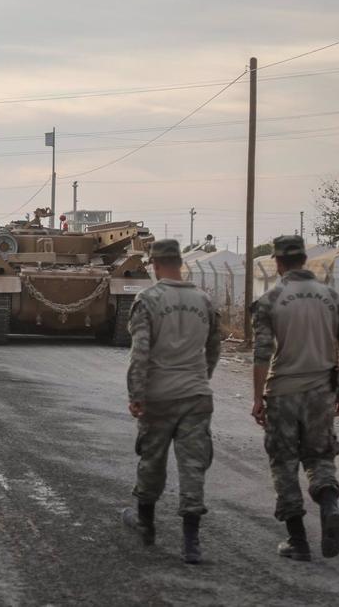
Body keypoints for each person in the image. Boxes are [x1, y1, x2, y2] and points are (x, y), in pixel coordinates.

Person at [251, 235, 339, 562]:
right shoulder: (332, 297)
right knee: (320, 456)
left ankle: (298, 540)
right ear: (304, 260)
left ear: (279, 262)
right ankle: (328, 503)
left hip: (283, 392)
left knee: (284, 462)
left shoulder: (271, 299)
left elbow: (262, 354)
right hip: (322, 392)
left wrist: (258, 399)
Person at [121, 239, 220, 565]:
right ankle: (191, 543)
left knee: (152, 461)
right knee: (193, 467)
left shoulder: (148, 300)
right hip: (196, 395)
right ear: (180, 262)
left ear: (155, 264)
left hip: (160, 396)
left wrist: (137, 394)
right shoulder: (204, 300)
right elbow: (214, 349)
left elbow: (141, 353)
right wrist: (199, 377)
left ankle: (146, 523)